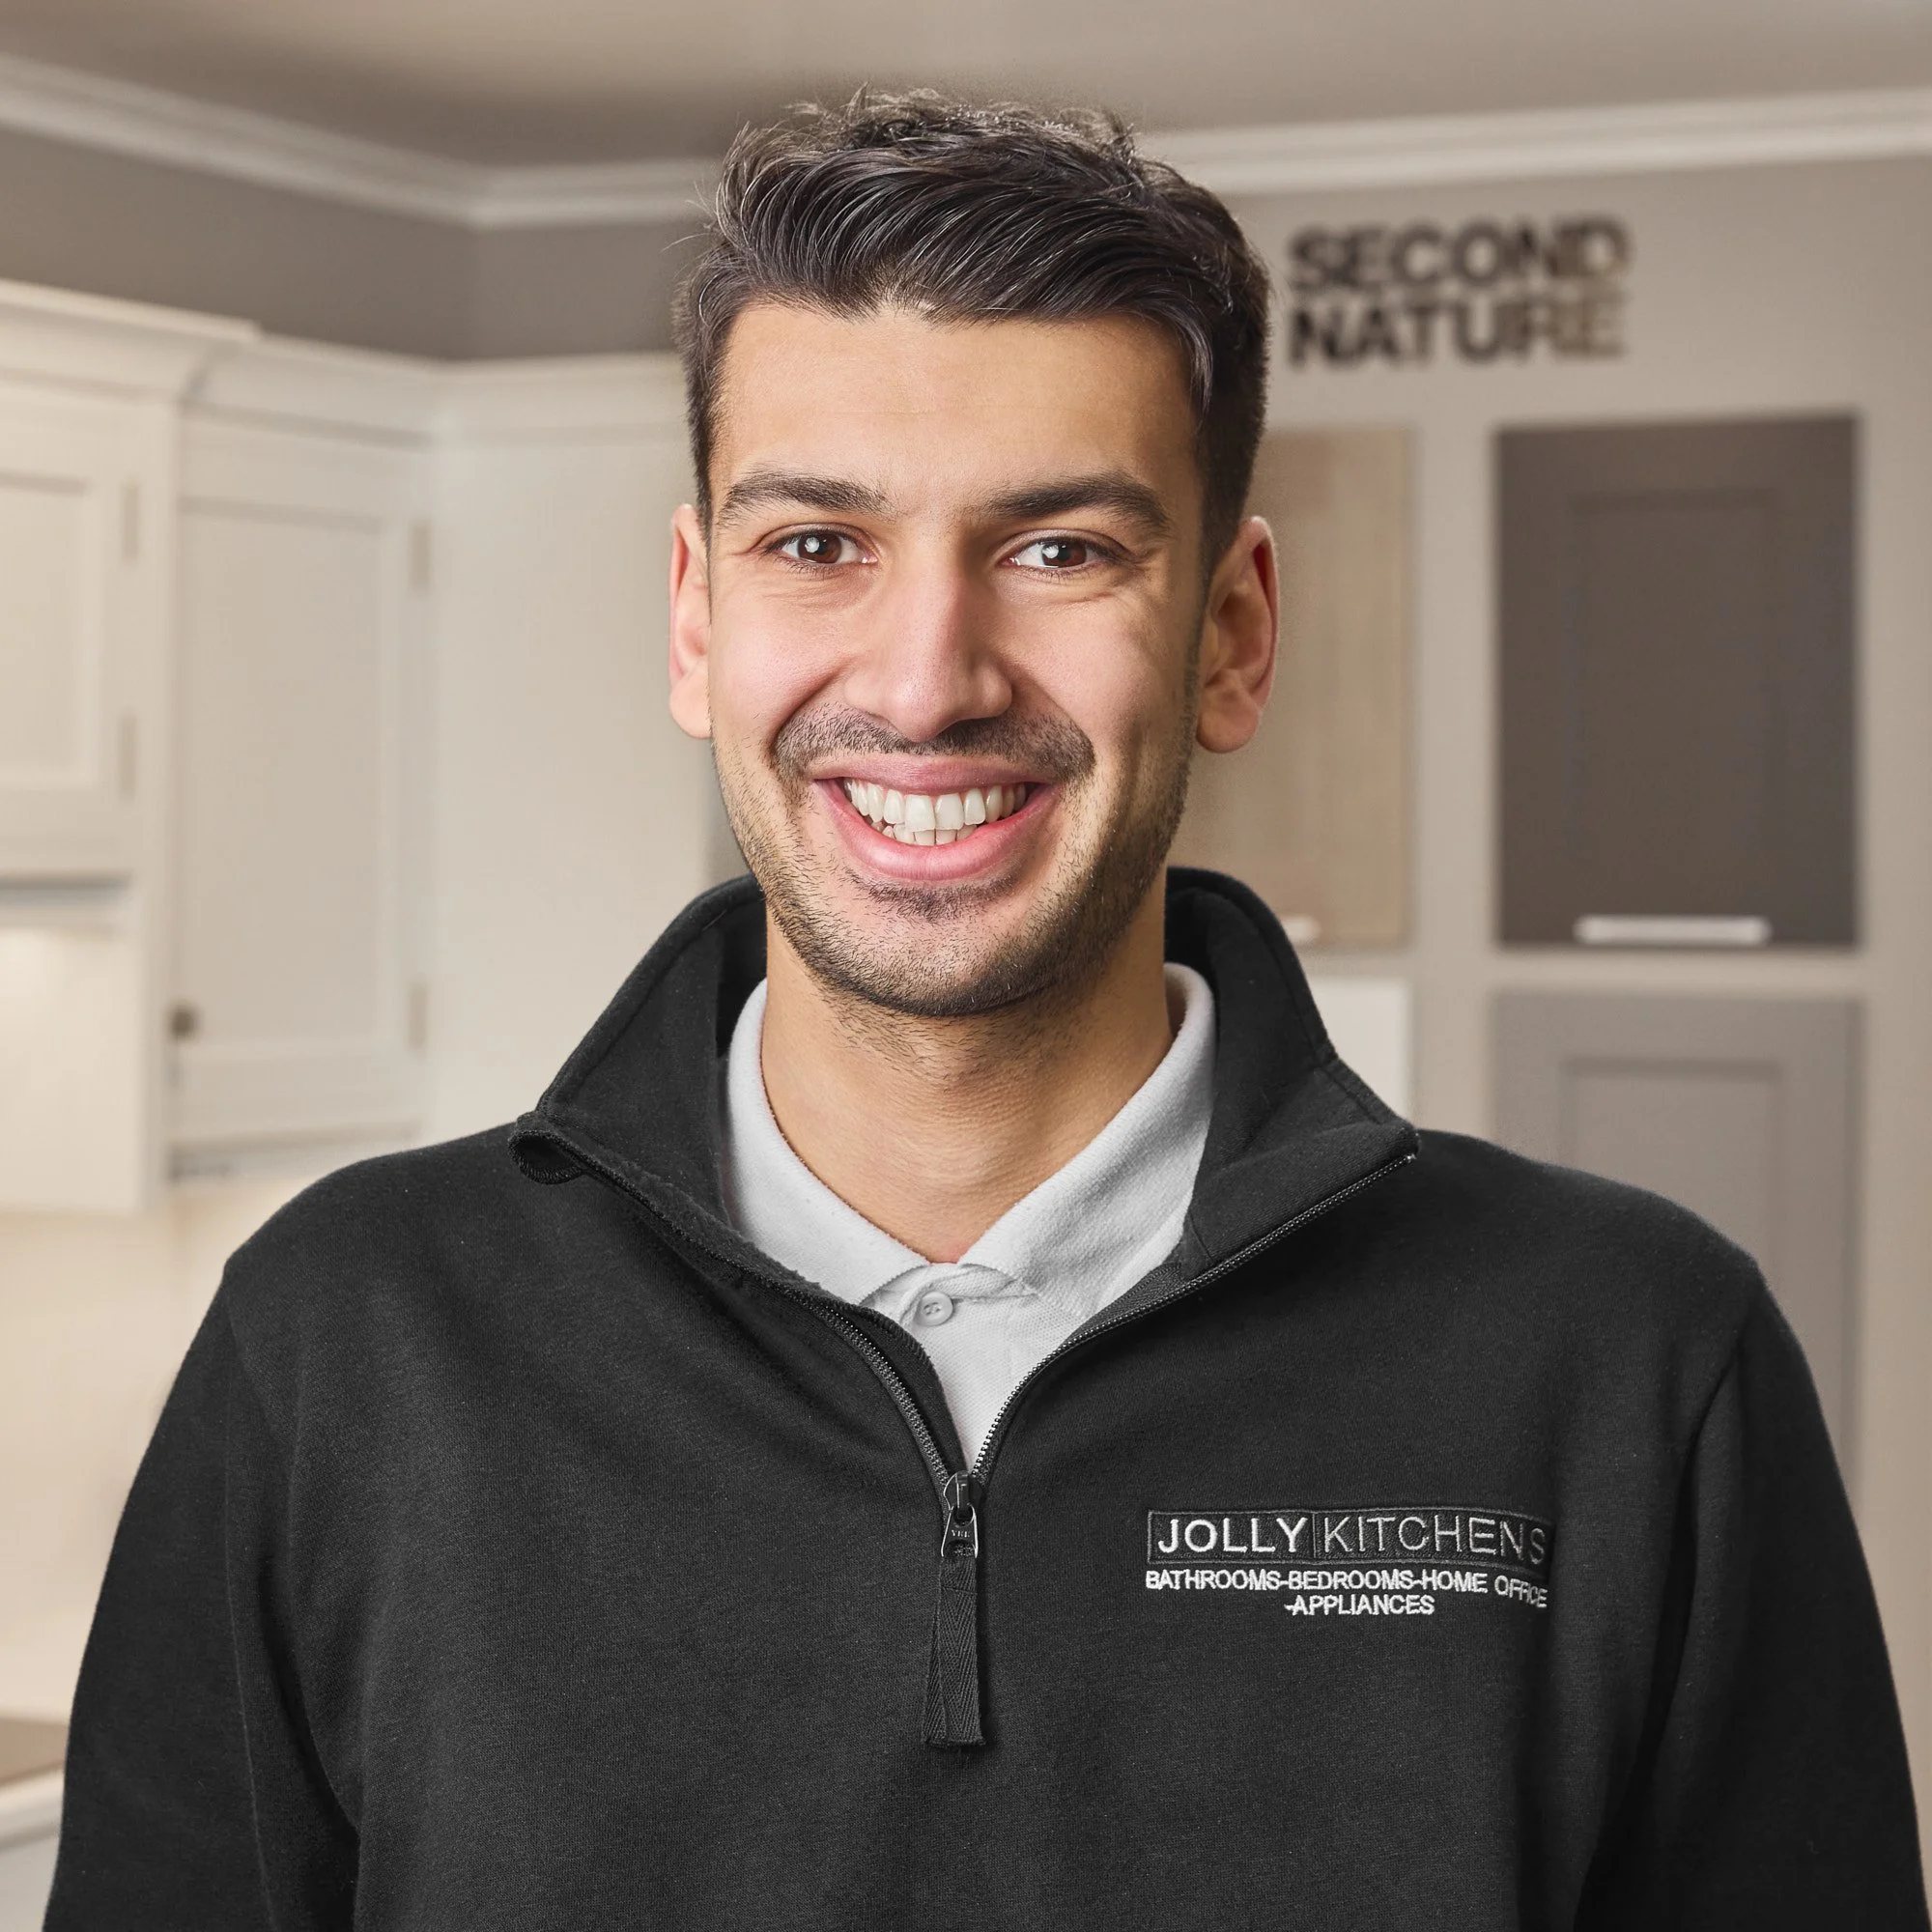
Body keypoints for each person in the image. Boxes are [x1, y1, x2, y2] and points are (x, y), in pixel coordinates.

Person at [47, 92, 1925, 1929]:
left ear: (1231, 632)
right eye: (816, 544)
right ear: (697, 623)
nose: (927, 677)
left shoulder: (1627, 1359)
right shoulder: (344, 1341)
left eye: (1058, 548)